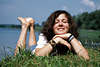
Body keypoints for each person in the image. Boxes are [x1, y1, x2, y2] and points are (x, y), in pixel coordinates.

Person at [15, 10, 89, 60]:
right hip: (36, 50)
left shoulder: (72, 38)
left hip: (35, 47)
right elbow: (37, 56)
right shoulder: (45, 36)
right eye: (56, 22)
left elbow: (85, 57)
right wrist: (56, 40)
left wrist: (69, 36)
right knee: (18, 55)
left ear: (69, 25)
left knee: (32, 46)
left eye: (64, 21)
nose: (60, 24)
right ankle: (25, 26)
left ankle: (31, 25)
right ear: (52, 26)